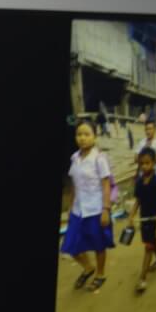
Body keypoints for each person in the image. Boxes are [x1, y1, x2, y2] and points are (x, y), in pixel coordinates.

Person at [61, 119, 113, 291]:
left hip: (95, 209)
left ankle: (100, 274)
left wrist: (106, 209)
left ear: (94, 137)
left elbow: (106, 185)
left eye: (86, 134)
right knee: (70, 245)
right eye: (79, 134)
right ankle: (88, 268)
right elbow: (74, 185)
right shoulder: (74, 158)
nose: (82, 138)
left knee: (99, 245)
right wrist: (70, 207)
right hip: (78, 210)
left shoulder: (99, 158)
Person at [130, 146, 156, 295]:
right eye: (142, 163)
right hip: (144, 218)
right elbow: (138, 200)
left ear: (154, 163)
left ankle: (142, 278)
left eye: (147, 163)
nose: (144, 166)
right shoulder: (139, 182)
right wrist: (131, 216)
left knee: (148, 246)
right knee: (151, 242)